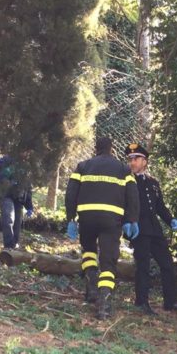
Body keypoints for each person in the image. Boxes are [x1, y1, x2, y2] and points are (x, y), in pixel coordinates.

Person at [64, 136, 140, 319]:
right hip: (111, 220)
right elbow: (133, 196)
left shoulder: (83, 166)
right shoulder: (123, 169)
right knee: (108, 260)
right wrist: (132, 219)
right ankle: (104, 305)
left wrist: (71, 218)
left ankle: (91, 287)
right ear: (112, 149)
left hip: (87, 216)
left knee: (89, 250)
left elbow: (71, 193)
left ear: (95, 149)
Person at [125, 142, 177, 315]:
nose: (132, 162)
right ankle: (141, 302)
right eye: (130, 159)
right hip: (138, 228)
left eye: (136, 158)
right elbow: (123, 205)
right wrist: (127, 222)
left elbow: (160, 206)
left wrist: (171, 220)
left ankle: (171, 301)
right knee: (143, 265)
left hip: (154, 229)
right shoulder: (126, 181)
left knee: (167, 264)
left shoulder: (153, 182)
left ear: (144, 161)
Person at [0, 155, 34, 250]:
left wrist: (29, 207)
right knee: (9, 219)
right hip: (5, 195)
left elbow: (28, 188)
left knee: (17, 222)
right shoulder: (6, 160)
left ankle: (15, 246)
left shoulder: (27, 167)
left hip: (19, 199)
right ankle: (9, 247)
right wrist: (5, 180)